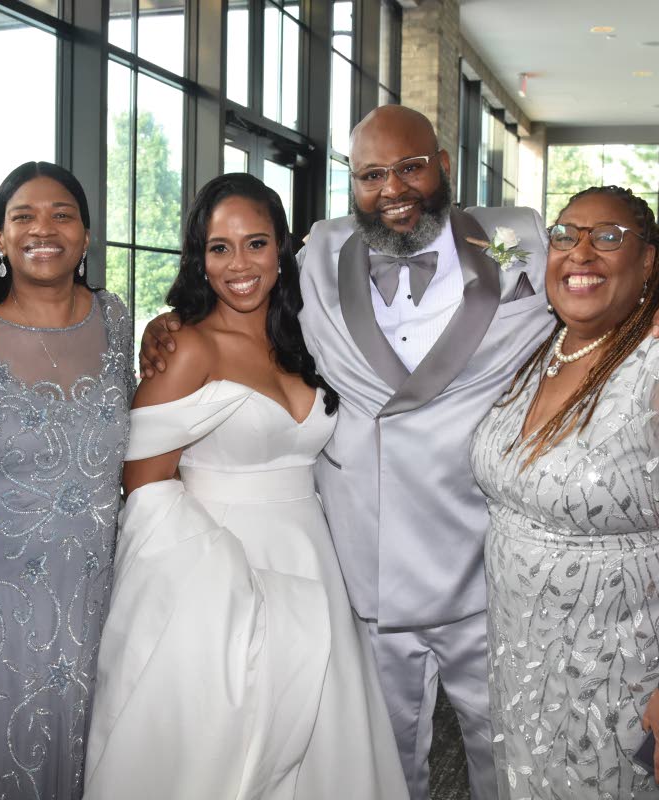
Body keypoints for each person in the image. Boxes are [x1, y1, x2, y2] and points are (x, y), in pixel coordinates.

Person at [139, 106, 659, 800]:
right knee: (377, 762)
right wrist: (173, 321)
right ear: (351, 184)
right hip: (360, 566)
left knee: (507, 750)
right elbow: (241, 296)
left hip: (481, 566)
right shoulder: (319, 252)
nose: (393, 188)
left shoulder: (508, 240)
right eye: (371, 174)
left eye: (411, 167)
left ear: (444, 165)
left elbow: (601, 269)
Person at [85, 173, 408, 798]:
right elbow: (145, 488)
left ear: (282, 250)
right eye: (219, 247)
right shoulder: (185, 348)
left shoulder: (307, 339)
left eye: (256, 243)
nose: (240, 264)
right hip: (217, 576)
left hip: (311, 558)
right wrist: (229, 586)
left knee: (326, 743)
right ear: (199, 259)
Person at [472, 185, 659, 798]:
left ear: (652, 261)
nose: (582, 253)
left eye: (608, 237)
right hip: (533, 664)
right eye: (566, 235)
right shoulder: (543, 346)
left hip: (633, 675)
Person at [0, 161, 133, 799]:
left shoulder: (117, 319)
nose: (43, 228)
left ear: (85, 236)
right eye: (22, 216)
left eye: (62, 214)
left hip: (98, 587)